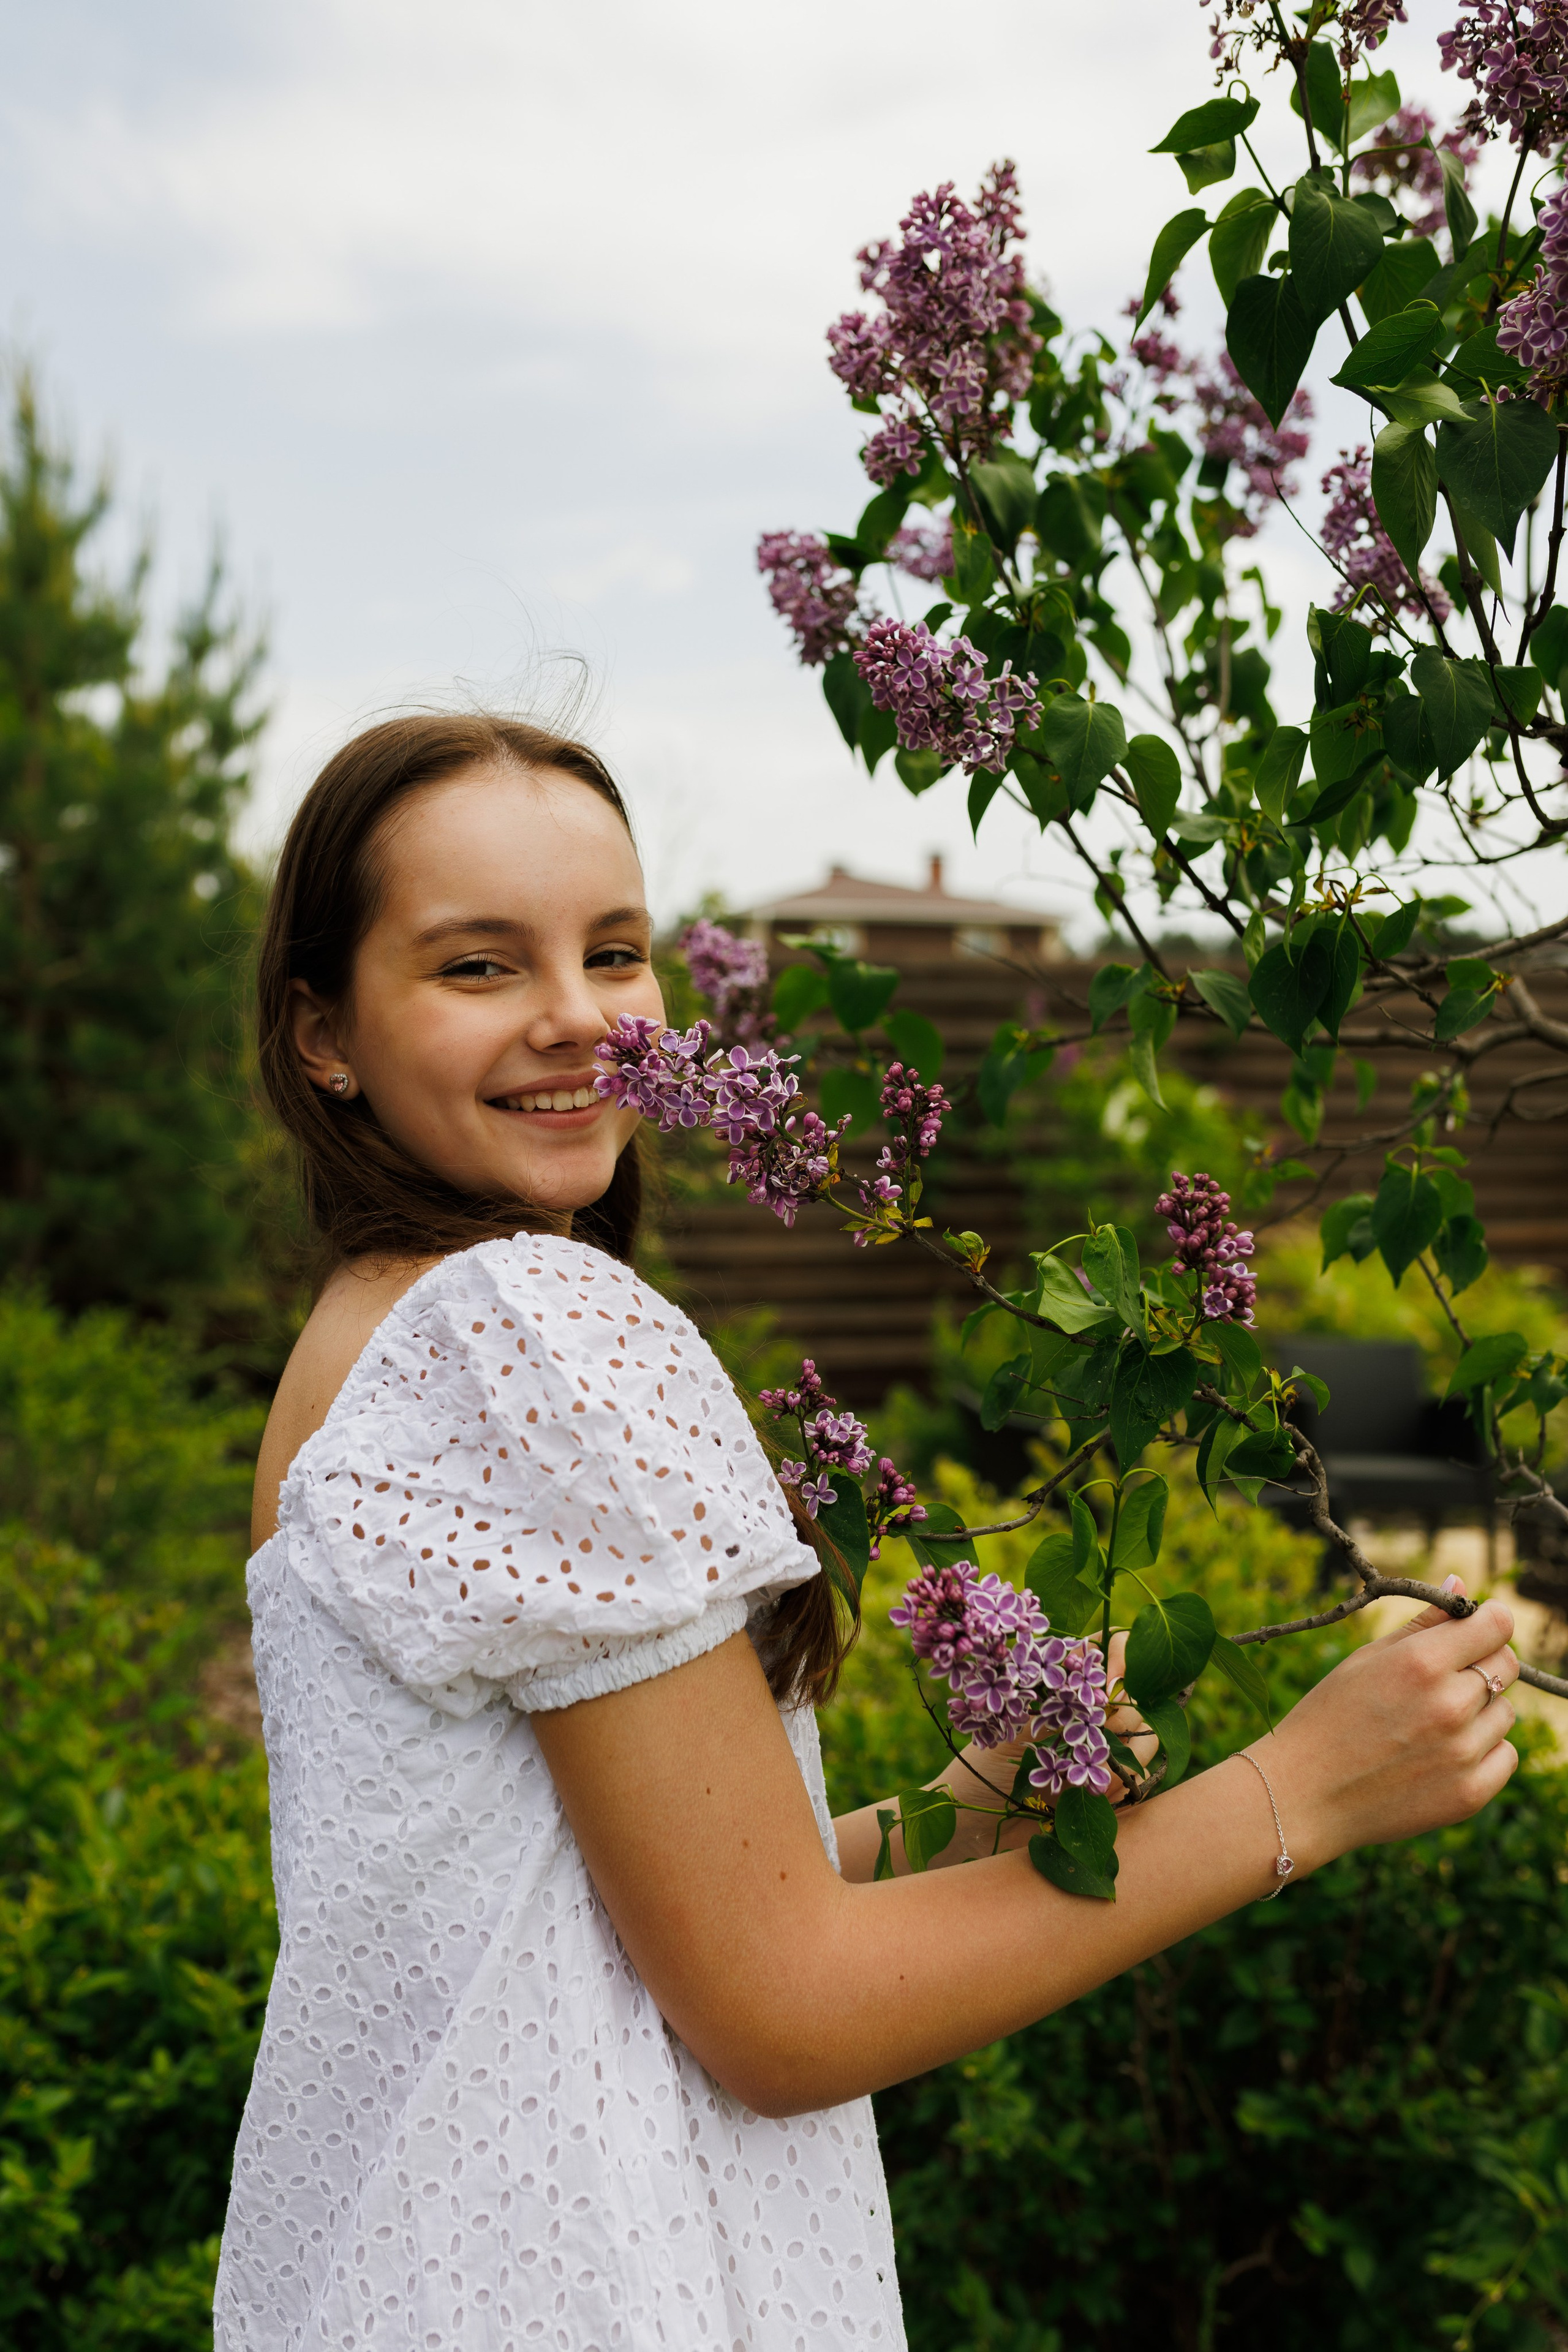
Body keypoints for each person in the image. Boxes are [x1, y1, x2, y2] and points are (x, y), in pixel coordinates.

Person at [214, 712, 1520, 2352]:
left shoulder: (368, 1338)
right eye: (479, 966)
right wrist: (1298, 1793)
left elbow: (594, 1919)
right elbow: (780, 2014)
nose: (579, 1019)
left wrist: (960, 1813)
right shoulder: (527, 1330)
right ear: (324, 1033)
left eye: (615, 953)